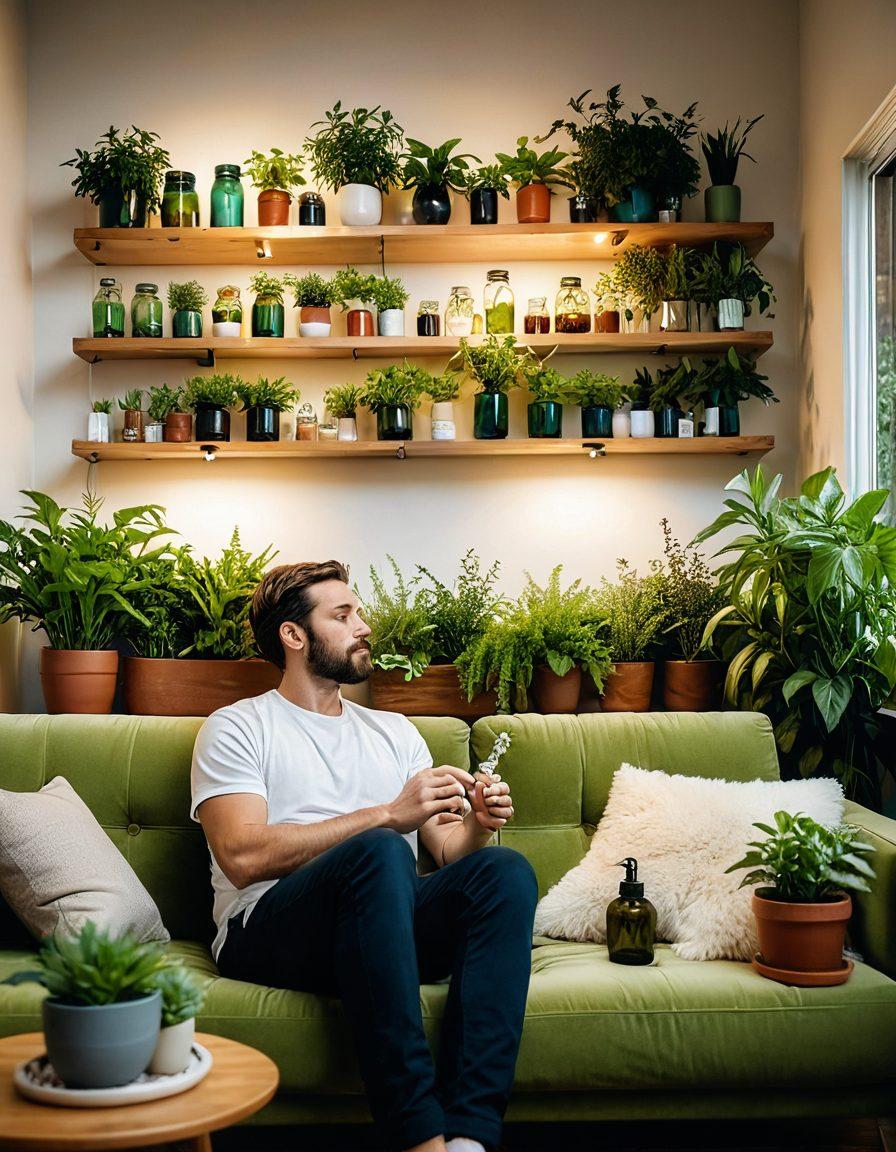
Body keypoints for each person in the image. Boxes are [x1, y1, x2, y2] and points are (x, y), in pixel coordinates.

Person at [190, 560, 539, 1152]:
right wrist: (385, 815)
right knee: (377, 850)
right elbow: (242, 857)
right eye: (343, 615)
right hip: (270, 930)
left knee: (505, 871)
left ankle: (470, 1137)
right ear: (294, 636)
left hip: (383, 930)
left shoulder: (395, 732)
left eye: (360, 612)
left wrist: (478, 826)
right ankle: (417, 1137)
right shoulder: (237, 728)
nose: (363, 626)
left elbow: (450, 854)